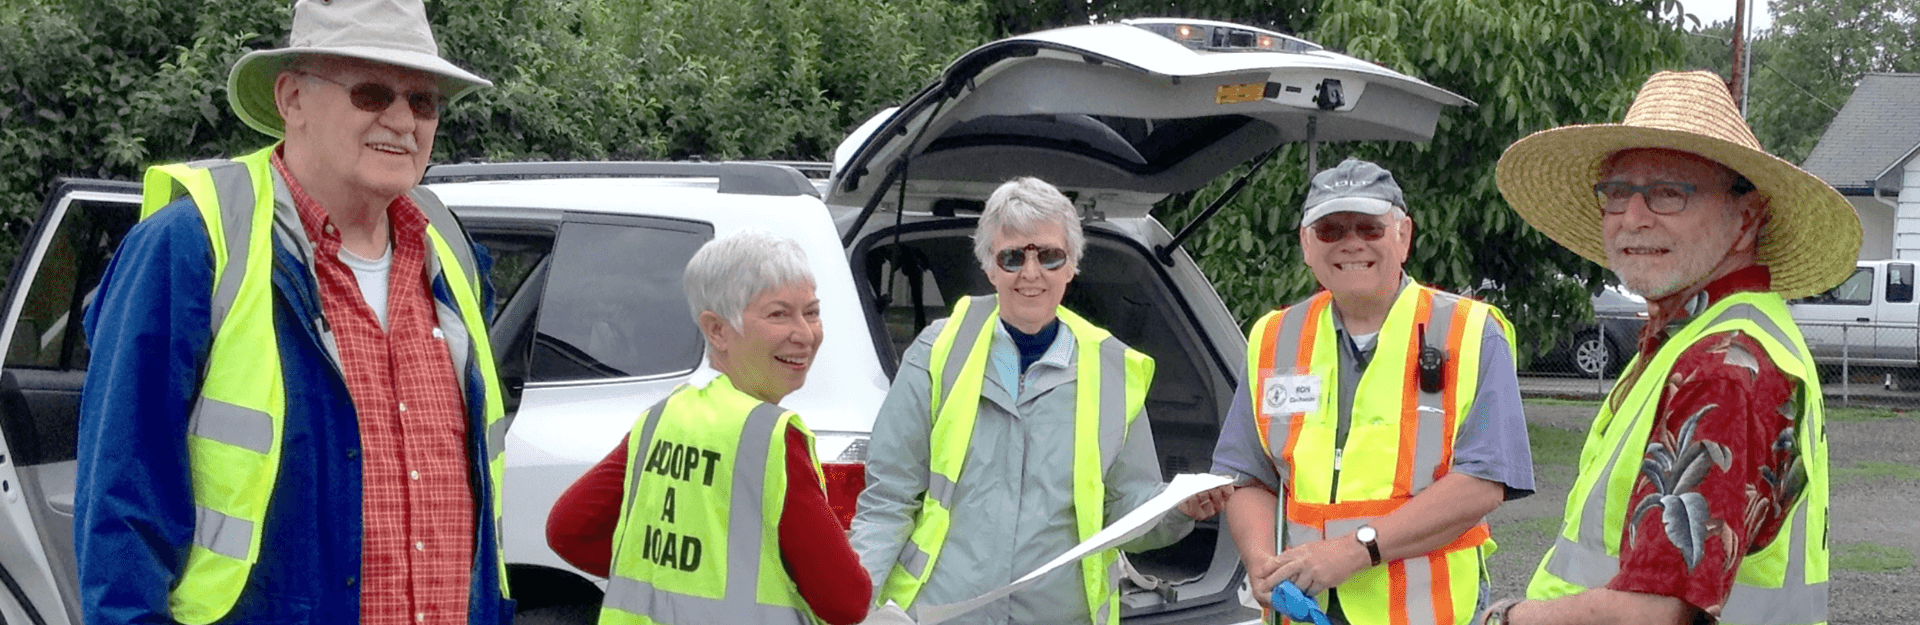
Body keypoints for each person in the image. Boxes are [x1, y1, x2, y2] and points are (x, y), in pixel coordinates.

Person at [73, 1, 510, 624]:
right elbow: (121, 516)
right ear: (291, 98)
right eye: (370, 92)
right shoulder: (193, 246)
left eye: (423, 101)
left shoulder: (451, 252)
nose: (401, 120)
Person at [1479, 70, 1858, 625]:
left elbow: (1652, 612)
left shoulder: (1725, 366)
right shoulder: (1694, 336)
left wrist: (1509, 618)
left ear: (1746, 217)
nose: (1634, 217)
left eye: (1668, 193)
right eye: (1617, 193)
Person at [850, 176, 1232, 625]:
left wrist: (1177, 508)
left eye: (1050, 256)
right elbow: (887, 500)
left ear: (1072, 266)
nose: (1031, 273)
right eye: (1012, 257)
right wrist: (853, 608)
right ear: (990, 268)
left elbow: (1126, 509)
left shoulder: (1113, 369)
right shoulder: (938, 352)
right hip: (943, 613)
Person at [1211, 158, 1536, 625]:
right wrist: (1262, 562)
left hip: (1426, 612)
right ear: (1306, 245)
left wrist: (1356, 550)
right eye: (1331, 230)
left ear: (1403, 236)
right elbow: (1248, 474)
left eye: (1369, 227)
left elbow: (1485, 482)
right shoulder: (1274, 337)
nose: (1351, 243)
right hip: (1304, 611)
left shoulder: (1470, 332)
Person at [545, 230, 871, 625]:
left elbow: (569, 530)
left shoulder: (663, 417)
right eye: (778, 314)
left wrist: (668, 586)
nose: (804, 333)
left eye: (812, 312)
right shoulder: (770, 436)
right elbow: (846, 601)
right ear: (716, 330)